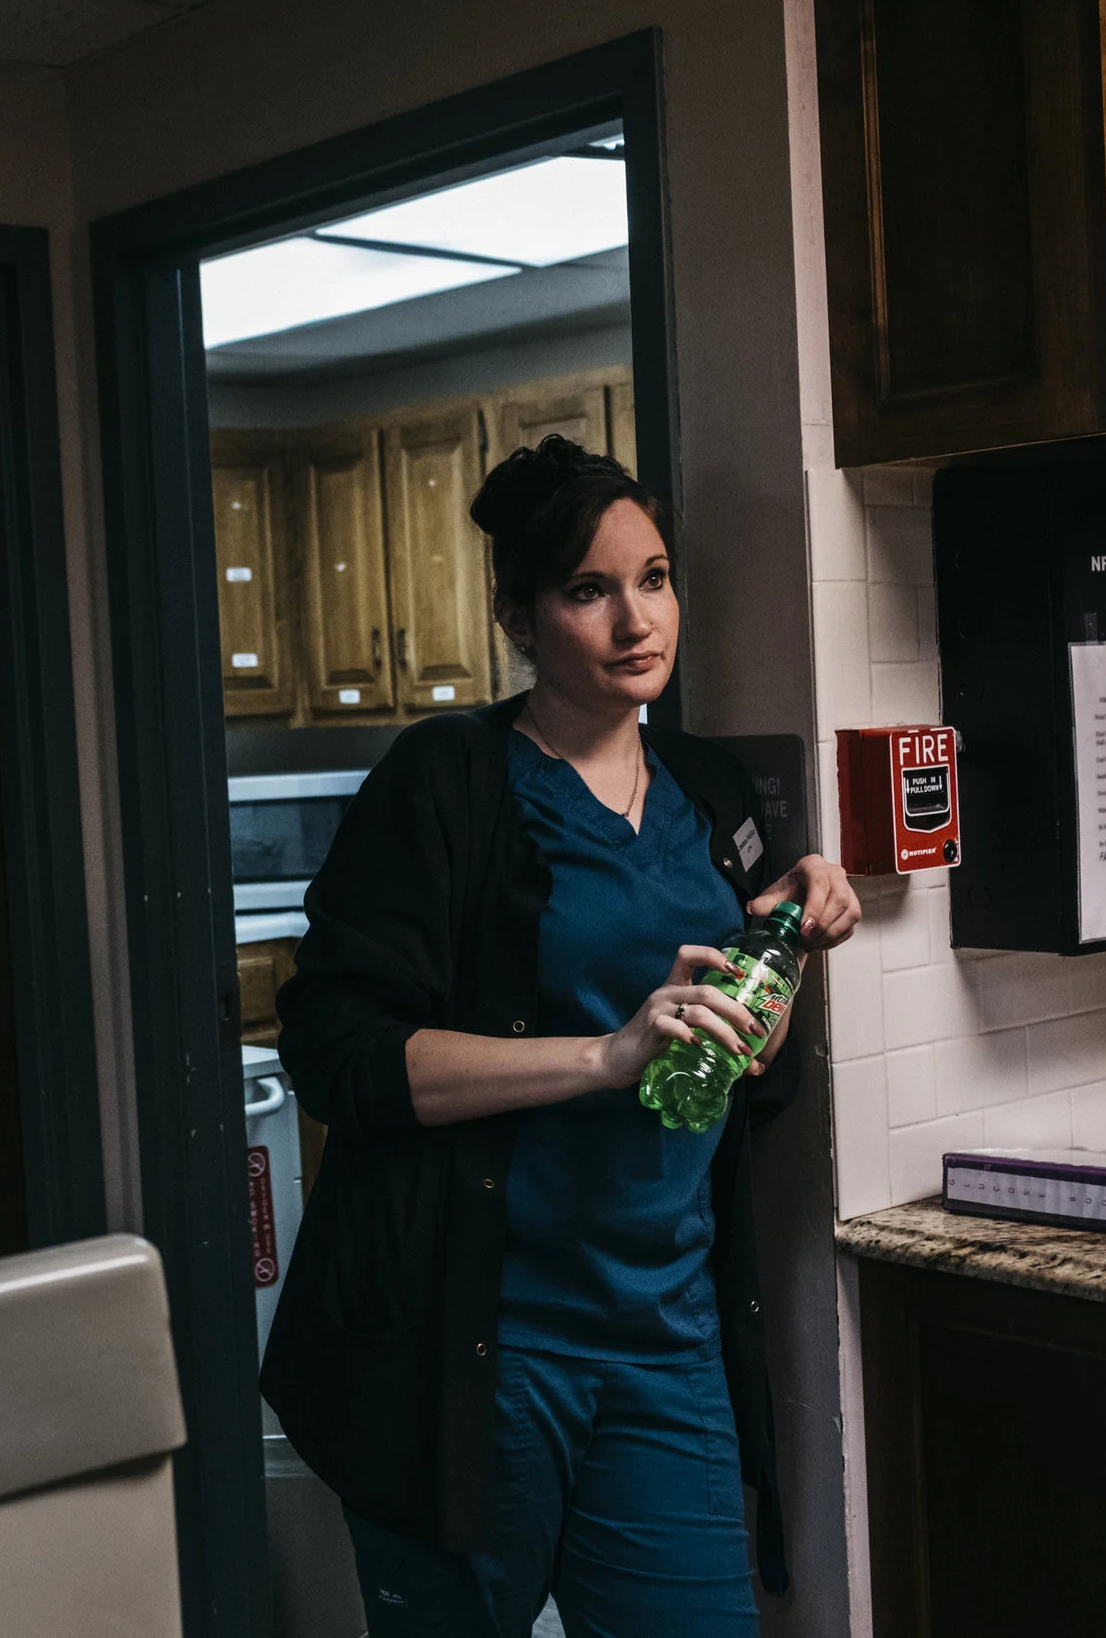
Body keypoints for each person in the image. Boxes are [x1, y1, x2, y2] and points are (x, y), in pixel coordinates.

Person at [261, 435, 861, 1637]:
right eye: (588, 589)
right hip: (479, 1347)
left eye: (653, 577)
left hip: (664, 1336)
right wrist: (603, 1052)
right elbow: (339, 1052)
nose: (636, 618)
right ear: (521, 619)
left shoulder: (710, 795)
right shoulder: (451, 783)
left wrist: (782, 961)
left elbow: (747, 1083)